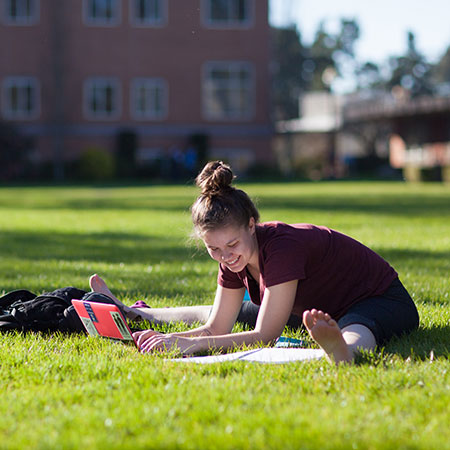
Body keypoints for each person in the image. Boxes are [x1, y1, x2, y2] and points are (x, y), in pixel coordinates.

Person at [91, 161, 419, 364]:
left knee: (357, 327)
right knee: (231, 311)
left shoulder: (282, 248)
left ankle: (342, 352)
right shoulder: (232, 258)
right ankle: (137, 312)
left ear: (252, 225)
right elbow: (218, 326)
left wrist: (190, 344)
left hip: (378, 300)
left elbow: (265, 336)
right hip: (309, 311)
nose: (225, 256)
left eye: (232, 244)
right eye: (213, 249)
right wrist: (177, 341)